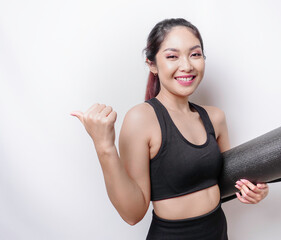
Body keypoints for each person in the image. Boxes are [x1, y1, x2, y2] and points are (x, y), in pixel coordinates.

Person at [71, 18, 269, 240]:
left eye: (195, 54)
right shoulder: (141, 119)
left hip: (218, 232)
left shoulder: (215, 117)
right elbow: (132, 214)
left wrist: (252, 190)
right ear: (152, 64)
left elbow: (223, 183)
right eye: (172, 56)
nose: (186, 65)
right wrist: (104, 146)